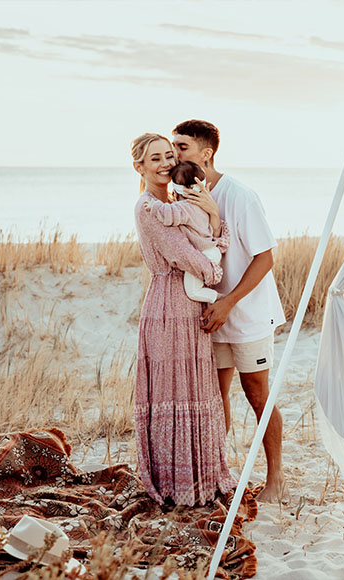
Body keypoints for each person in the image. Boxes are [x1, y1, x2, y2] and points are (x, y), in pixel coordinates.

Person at [172, 120, 288, 503]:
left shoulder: (239, 196)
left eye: (182, 147)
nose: (176, 154)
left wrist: (229, 301)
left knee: (257, 393)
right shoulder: (181, 195)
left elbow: (265, 258)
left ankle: (276, 480)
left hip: (247, 313)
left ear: (206, 153)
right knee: (213, 397)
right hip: (209, 315)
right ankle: (215, 475)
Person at [130, 132, 236, 506]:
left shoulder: (178, 200)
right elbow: (185, 257)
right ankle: (177, 480)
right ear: (138, 166)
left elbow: (209, 234)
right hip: (168, 305)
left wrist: (213, 215)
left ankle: (203, 474)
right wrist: (213, 271)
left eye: (168, 157)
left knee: (196, 386)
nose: (164, 164)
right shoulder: (148, 208)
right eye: (154, 159)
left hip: (190, 306)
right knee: (172, 390)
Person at [144, 161, 222, 303]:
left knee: (193, 292)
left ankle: (218, 298)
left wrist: (154, 206)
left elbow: (169, 215)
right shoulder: (203, 203)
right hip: (212, 250)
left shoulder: (184, 208)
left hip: (204, 254)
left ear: (177, 190)